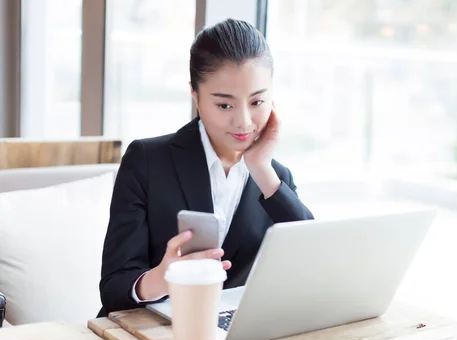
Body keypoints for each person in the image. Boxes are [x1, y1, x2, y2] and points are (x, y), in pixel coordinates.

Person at [98, 18, 314, 317]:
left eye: (257, 101)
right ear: (195, 95)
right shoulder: (147, 160)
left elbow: (315, 263)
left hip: (234, 337)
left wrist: (262, 169)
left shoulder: (275, 179)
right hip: (148, 332)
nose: (244, 122)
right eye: (225, 105)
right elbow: (113, 288)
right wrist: (163, 277)